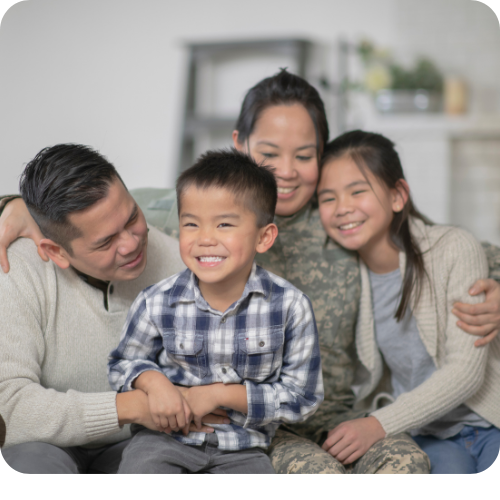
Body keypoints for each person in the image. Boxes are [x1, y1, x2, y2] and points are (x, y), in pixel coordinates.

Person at [2, 70, 500, 473]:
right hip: (248, 430)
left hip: (335, 412)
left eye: (304, 156)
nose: (285, 170)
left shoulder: (341, 217)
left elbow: (432, 243)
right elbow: (122, 212)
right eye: (268, 154)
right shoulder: (190, 228)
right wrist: (16, 205)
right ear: (240, 145)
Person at [0, 144, 230, 475]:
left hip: (138, 443)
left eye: (133, 217)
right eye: (106, 242)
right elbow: (10, 408)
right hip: (42, 447)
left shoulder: (181, 266)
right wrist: (128, 406)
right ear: (57, 251)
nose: (132, 243)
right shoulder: (17, 270)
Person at [108, 149, 324, 474]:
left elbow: (303, 397)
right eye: (191, 224)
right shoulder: (156, 301)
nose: (205, 239)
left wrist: (220, 395)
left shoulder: (290, 306)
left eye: (224, 224)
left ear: (263, 237)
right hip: (164, 441)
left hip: (244, 450)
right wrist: (156, 384)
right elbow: (121, 366)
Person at [317, 130, 500, 474]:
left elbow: (466, 372)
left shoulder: (454, 248)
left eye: (358, 191)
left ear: (398, 195)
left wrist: (377, 424)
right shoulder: (345, 276)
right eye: (328, 199)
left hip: (492, 421)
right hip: (429, 433)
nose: (343, 208)